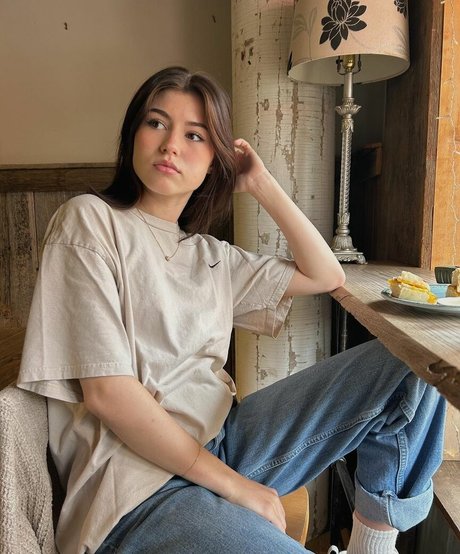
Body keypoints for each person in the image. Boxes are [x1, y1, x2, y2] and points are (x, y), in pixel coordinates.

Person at [17, 66, 446, 554]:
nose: (170, 145)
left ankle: (372, 547)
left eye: (194, 135)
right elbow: (108, 395)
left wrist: (262, 183)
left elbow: (327, 275)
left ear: (214, 162)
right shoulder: (88, 221)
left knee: (409, 362)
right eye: (156, 123)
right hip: (135, 488)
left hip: (224, 444)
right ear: (133, 135)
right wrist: (238, 488)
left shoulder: (210, 256)